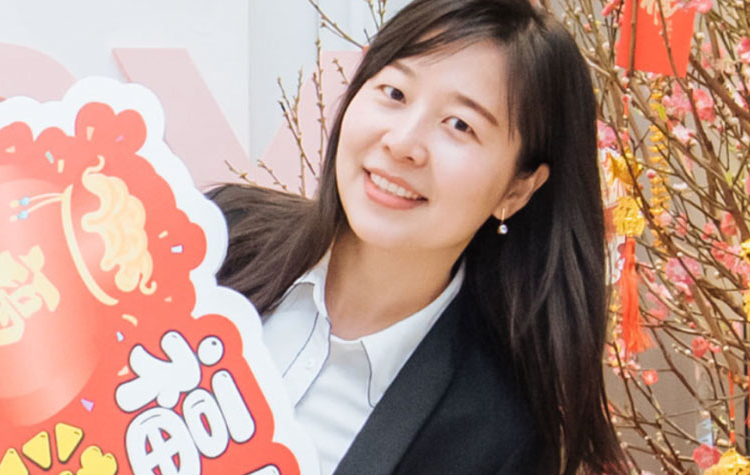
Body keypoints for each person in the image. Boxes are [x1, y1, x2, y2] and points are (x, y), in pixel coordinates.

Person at [210, 0, 625, 473]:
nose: (403, 143)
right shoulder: (217, 237)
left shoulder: (497, 442)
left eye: (460, 125)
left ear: (517, 189)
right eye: (394, 92)